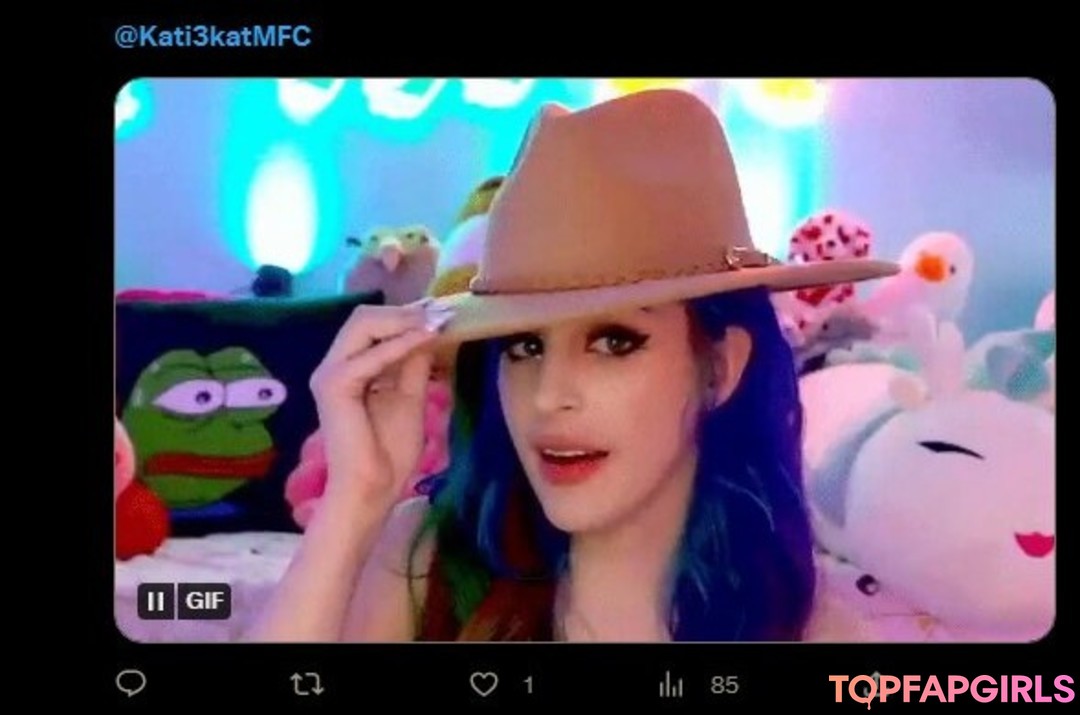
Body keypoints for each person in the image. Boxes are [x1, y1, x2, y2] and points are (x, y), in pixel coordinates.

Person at [247, 88, 897, 642]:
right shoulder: (429, 559)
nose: (547, 396)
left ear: (719, 368)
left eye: (613, 342)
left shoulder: (812, 631)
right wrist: (352, 506)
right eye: (524, 346)